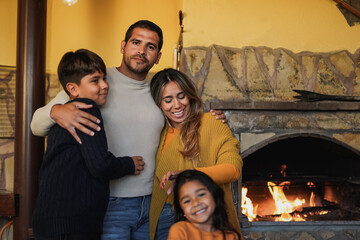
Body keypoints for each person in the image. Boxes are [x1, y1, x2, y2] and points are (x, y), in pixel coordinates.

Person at [30, 20, 227, 240]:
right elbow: (36, 125)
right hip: (109, 204)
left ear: (158, 56)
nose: (142, 51)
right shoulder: (97, 82)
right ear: (123, 46)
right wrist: (56, 110)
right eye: (136, 42)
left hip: (156, 202)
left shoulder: (158, 89)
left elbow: (182, 115)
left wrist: (210, 119)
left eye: (150, 47)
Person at [32, 49, 145, 240]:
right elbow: (100, 165)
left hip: (55, 221)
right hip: (71, 223)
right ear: (73, 89)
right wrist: (130, 164)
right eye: (95, 80)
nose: (105, 85)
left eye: (104, 78)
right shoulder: (85, 107)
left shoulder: (69, 109)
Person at [149, 68, 243, 240]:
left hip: (204, 219)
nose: (177, 105)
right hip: (162, 220)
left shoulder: (211, 123)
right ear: (159, 104)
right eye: (168, 100)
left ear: (189, 95)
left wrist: (190, 176)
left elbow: (233, 169)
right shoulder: (158, 131)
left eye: (181, 96)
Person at [168, 170, 241, 240]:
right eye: (187, 201)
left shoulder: (231, 236)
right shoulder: (180, 231)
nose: (196, 203)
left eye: (201, 194)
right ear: (181, 209)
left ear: (214, 195)